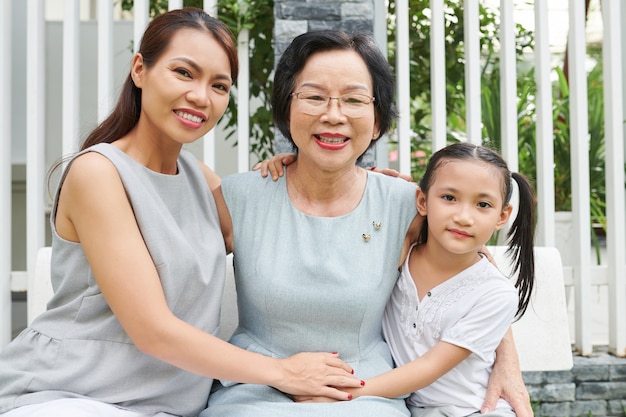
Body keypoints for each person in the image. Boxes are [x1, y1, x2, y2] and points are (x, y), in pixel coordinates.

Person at [0, 9, 362, 417]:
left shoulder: (197, 177)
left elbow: (281, 236)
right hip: (71, 395)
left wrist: (353, 184)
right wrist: (283, 372)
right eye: (184, 73)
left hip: (168, 406)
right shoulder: (97, 173)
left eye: (219, 85)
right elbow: (153, 332)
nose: (200, 96)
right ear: (140, 69)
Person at [201, 30, 533, 417]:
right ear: (285, 108)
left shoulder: (407, 205)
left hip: (365, 393)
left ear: (377, 121)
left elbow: (472, 269)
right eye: (314, 96)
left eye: (355, 99)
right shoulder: (239, 198)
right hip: (255, 390)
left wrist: (507, 358)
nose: (333, 114)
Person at [318, 142, 536, 417]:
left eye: (483, 204)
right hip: (408, 407)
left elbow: (429, 367)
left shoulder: (495, 294)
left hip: (476, 410)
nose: (463, 216)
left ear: (502, 216)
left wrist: (345, 394)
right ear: (422, 201)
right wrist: (290, 162)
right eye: (449, 198)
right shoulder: (399, 255)